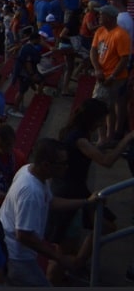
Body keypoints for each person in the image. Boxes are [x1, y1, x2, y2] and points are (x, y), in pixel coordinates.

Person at [49, 98, 134, 275]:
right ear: (92, 119)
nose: (103, 123)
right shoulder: (79, 139)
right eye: (101, 119)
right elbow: (106, 161)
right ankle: (72, 266)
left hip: (76, 189)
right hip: (70, 192)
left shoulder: (76, 132)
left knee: (106, 225)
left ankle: (78, 261)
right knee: (64, 248)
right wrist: (126, 140)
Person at [0, 138, 95, 286]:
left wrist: (86, 202)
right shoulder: (31, 192)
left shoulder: (29, 170)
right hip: (17, 257)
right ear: (46, 165)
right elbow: (23, 235)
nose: (66, 167)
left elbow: (51, 201)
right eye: (62, 164)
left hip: (15, 251)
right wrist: (60, 258)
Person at [89, 5, 130, 142]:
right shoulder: (100, 31)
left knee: (102, 108)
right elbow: (94, 51)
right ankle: (105, 137)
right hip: (102, 75)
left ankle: (105, 138)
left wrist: (112, 76)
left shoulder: (121, 35)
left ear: (110, 18)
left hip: (114, 78)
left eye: (102, 15)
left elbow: (124, 59)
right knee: (105, 107)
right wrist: (97, 69)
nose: (99, 17)